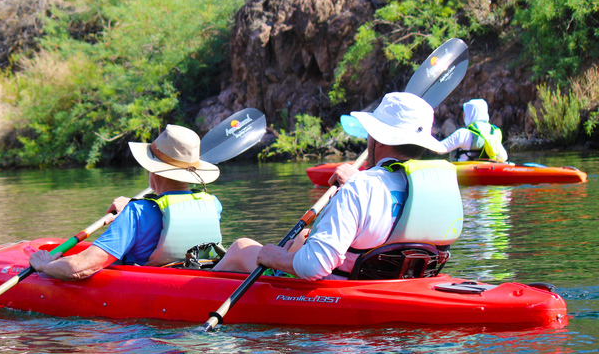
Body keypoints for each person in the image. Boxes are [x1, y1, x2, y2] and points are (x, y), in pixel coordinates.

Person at [212, 92, 463, 279]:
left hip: (340, 291)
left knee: (241, 247)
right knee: (302, 237)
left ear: (375, 137)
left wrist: (276, 258)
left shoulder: (360, 189)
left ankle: (196, 289)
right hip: (402, 283)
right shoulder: (438, 187)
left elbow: (314, 267)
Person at [29, 125, 223, 280]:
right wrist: (132, 208)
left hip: (148, 296)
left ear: (153, 170)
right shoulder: (213, 204)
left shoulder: (136, 213)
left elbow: (79, 268)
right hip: (198, 279)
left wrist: (44, 265)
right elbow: (173, 212)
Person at [437, 98, 508, 162]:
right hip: (485, 171)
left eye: (465, 112)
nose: (463, 115)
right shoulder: (492, 133)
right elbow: (503, 157)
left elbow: (439, 149)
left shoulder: (463, 134)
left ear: (470, 113)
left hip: (462, 173)